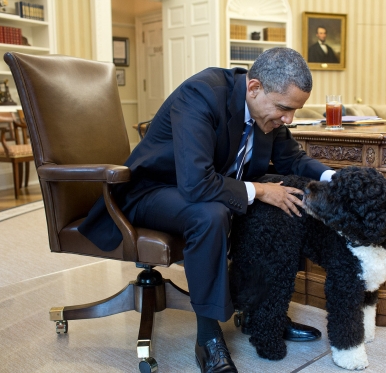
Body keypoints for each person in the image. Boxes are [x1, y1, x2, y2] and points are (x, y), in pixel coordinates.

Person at [78, 47, 335, 373]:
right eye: (284, 109)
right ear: (254, 88)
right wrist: (259, 190)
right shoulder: (202, 93)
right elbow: (196, 184)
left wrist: (334, 177)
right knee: (211, 213)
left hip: (205, 190)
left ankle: (266, 314)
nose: (289, 119)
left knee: (287, 193)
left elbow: (292, 159)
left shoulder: (264, 110)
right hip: (151, 192)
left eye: (294, 111)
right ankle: (209, 338)